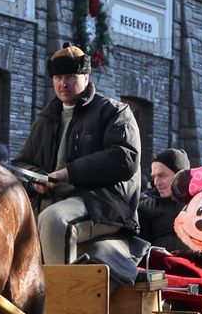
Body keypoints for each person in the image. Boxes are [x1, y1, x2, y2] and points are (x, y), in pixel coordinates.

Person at [13, 44, 142, 264]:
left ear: (86, 76)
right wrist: (36, 181)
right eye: (58, 77)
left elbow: (125, 159)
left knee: (54, 221)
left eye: (71, 76)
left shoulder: (114, 111)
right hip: (50, 201)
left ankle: (60, 297)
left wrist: (67, 173)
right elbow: (23, 163)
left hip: (104, 204)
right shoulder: (45, 119)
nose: (63, 83)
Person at [138, 148, 191, 251]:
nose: (156, 182)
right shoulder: (144, 208)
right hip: (159, 265)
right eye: (154, 177)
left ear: (180, 174)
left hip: (199, 264)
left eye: (162, 176)